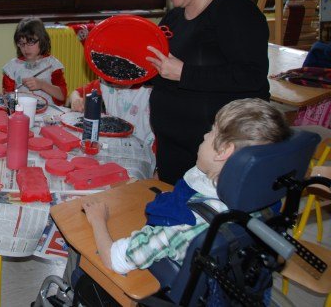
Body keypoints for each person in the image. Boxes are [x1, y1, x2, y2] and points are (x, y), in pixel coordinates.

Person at [82, 98, 290, 275]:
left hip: (164, 283)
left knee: (82, 259)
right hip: (225, 272)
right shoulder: (265, 197)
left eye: (212, 131)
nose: (205, 136)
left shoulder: (186, 222)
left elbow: (115, 260)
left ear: (224, 151)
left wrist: (98, 219)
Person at [145, 0, 270, 184]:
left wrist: (185, 73)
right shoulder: (173, 17)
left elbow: (251, 76)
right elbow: (163, 70)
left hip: (215, 153)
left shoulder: (235, 11)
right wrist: (135, 73)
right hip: (172, 146)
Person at [69, 79, 154, 151]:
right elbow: (77, 92)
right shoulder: (105, 83)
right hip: (116, 145)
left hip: (145, 148)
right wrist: (75, 99)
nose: (115, 84)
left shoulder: (150, 90)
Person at [2, 17, 67, 105]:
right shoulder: (12, 67)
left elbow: (62, 96)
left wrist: (42, 85)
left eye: (31, 42)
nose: (26, 48)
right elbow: (7, 98)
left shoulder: (52, 65)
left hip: (48, 111)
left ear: (42, 40)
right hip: (21, 111)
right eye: (21, 43)